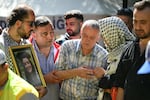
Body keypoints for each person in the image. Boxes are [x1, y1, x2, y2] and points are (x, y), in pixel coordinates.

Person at [0, 4, 47, 98]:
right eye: (30, 24)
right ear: (18, 23)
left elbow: (36, 74)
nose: (33, 28)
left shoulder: (27, 44)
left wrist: (43, 87)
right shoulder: (1, 44)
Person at [55, 20, 108, 99]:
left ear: (98, 38)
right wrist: (76, 72)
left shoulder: (104, 56)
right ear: (80, 32)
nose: (87, 40)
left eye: (92, 37)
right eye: (85, 35)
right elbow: (56, 75)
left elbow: (110, 86)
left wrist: (104, 75)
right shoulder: (67, 47)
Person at [113, 0, 150, 100]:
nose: (137, 27)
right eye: (135, 21)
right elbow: (120, 86)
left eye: (143, 22)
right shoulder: (128, 50)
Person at [98, 16, 136, 100]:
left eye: (105, 36)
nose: (105, 41)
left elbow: (121, 82)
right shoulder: (115, 53)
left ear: (111, 34)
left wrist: (103, 76)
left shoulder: (129, 53)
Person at [29, 16, 61, 100]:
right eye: (45, 34)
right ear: (34, 35)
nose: (50, 37)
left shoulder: (61, 51)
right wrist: (45, 79)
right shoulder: (25, 52)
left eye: (52, 32)